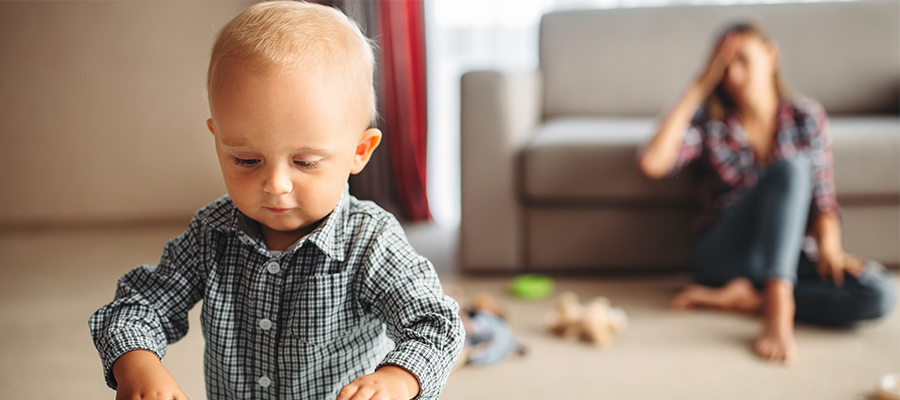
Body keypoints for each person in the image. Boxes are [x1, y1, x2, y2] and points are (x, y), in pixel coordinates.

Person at [88, 2, 464, 399]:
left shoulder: (371, 241)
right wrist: (137, 364)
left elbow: (435, 323)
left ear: (360, 151)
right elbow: (138, 304)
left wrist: (399, 378)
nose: (276, 184)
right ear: (218, 139)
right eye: (247, 160)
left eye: (305, 162)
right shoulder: (210, 233)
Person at [637, 22, 896, 364]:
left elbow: (823, 201)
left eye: (743, 60)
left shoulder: (806, 117)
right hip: (723, 255)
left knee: (878, 293)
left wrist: (830, 249)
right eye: (723, 66)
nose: (734, 74)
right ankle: (777, 305)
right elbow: (653, 162)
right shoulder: (711, 122)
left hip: (784, 257)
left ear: (772, 55)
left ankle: (749, 300)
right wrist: (699, 85)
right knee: (790, 168)